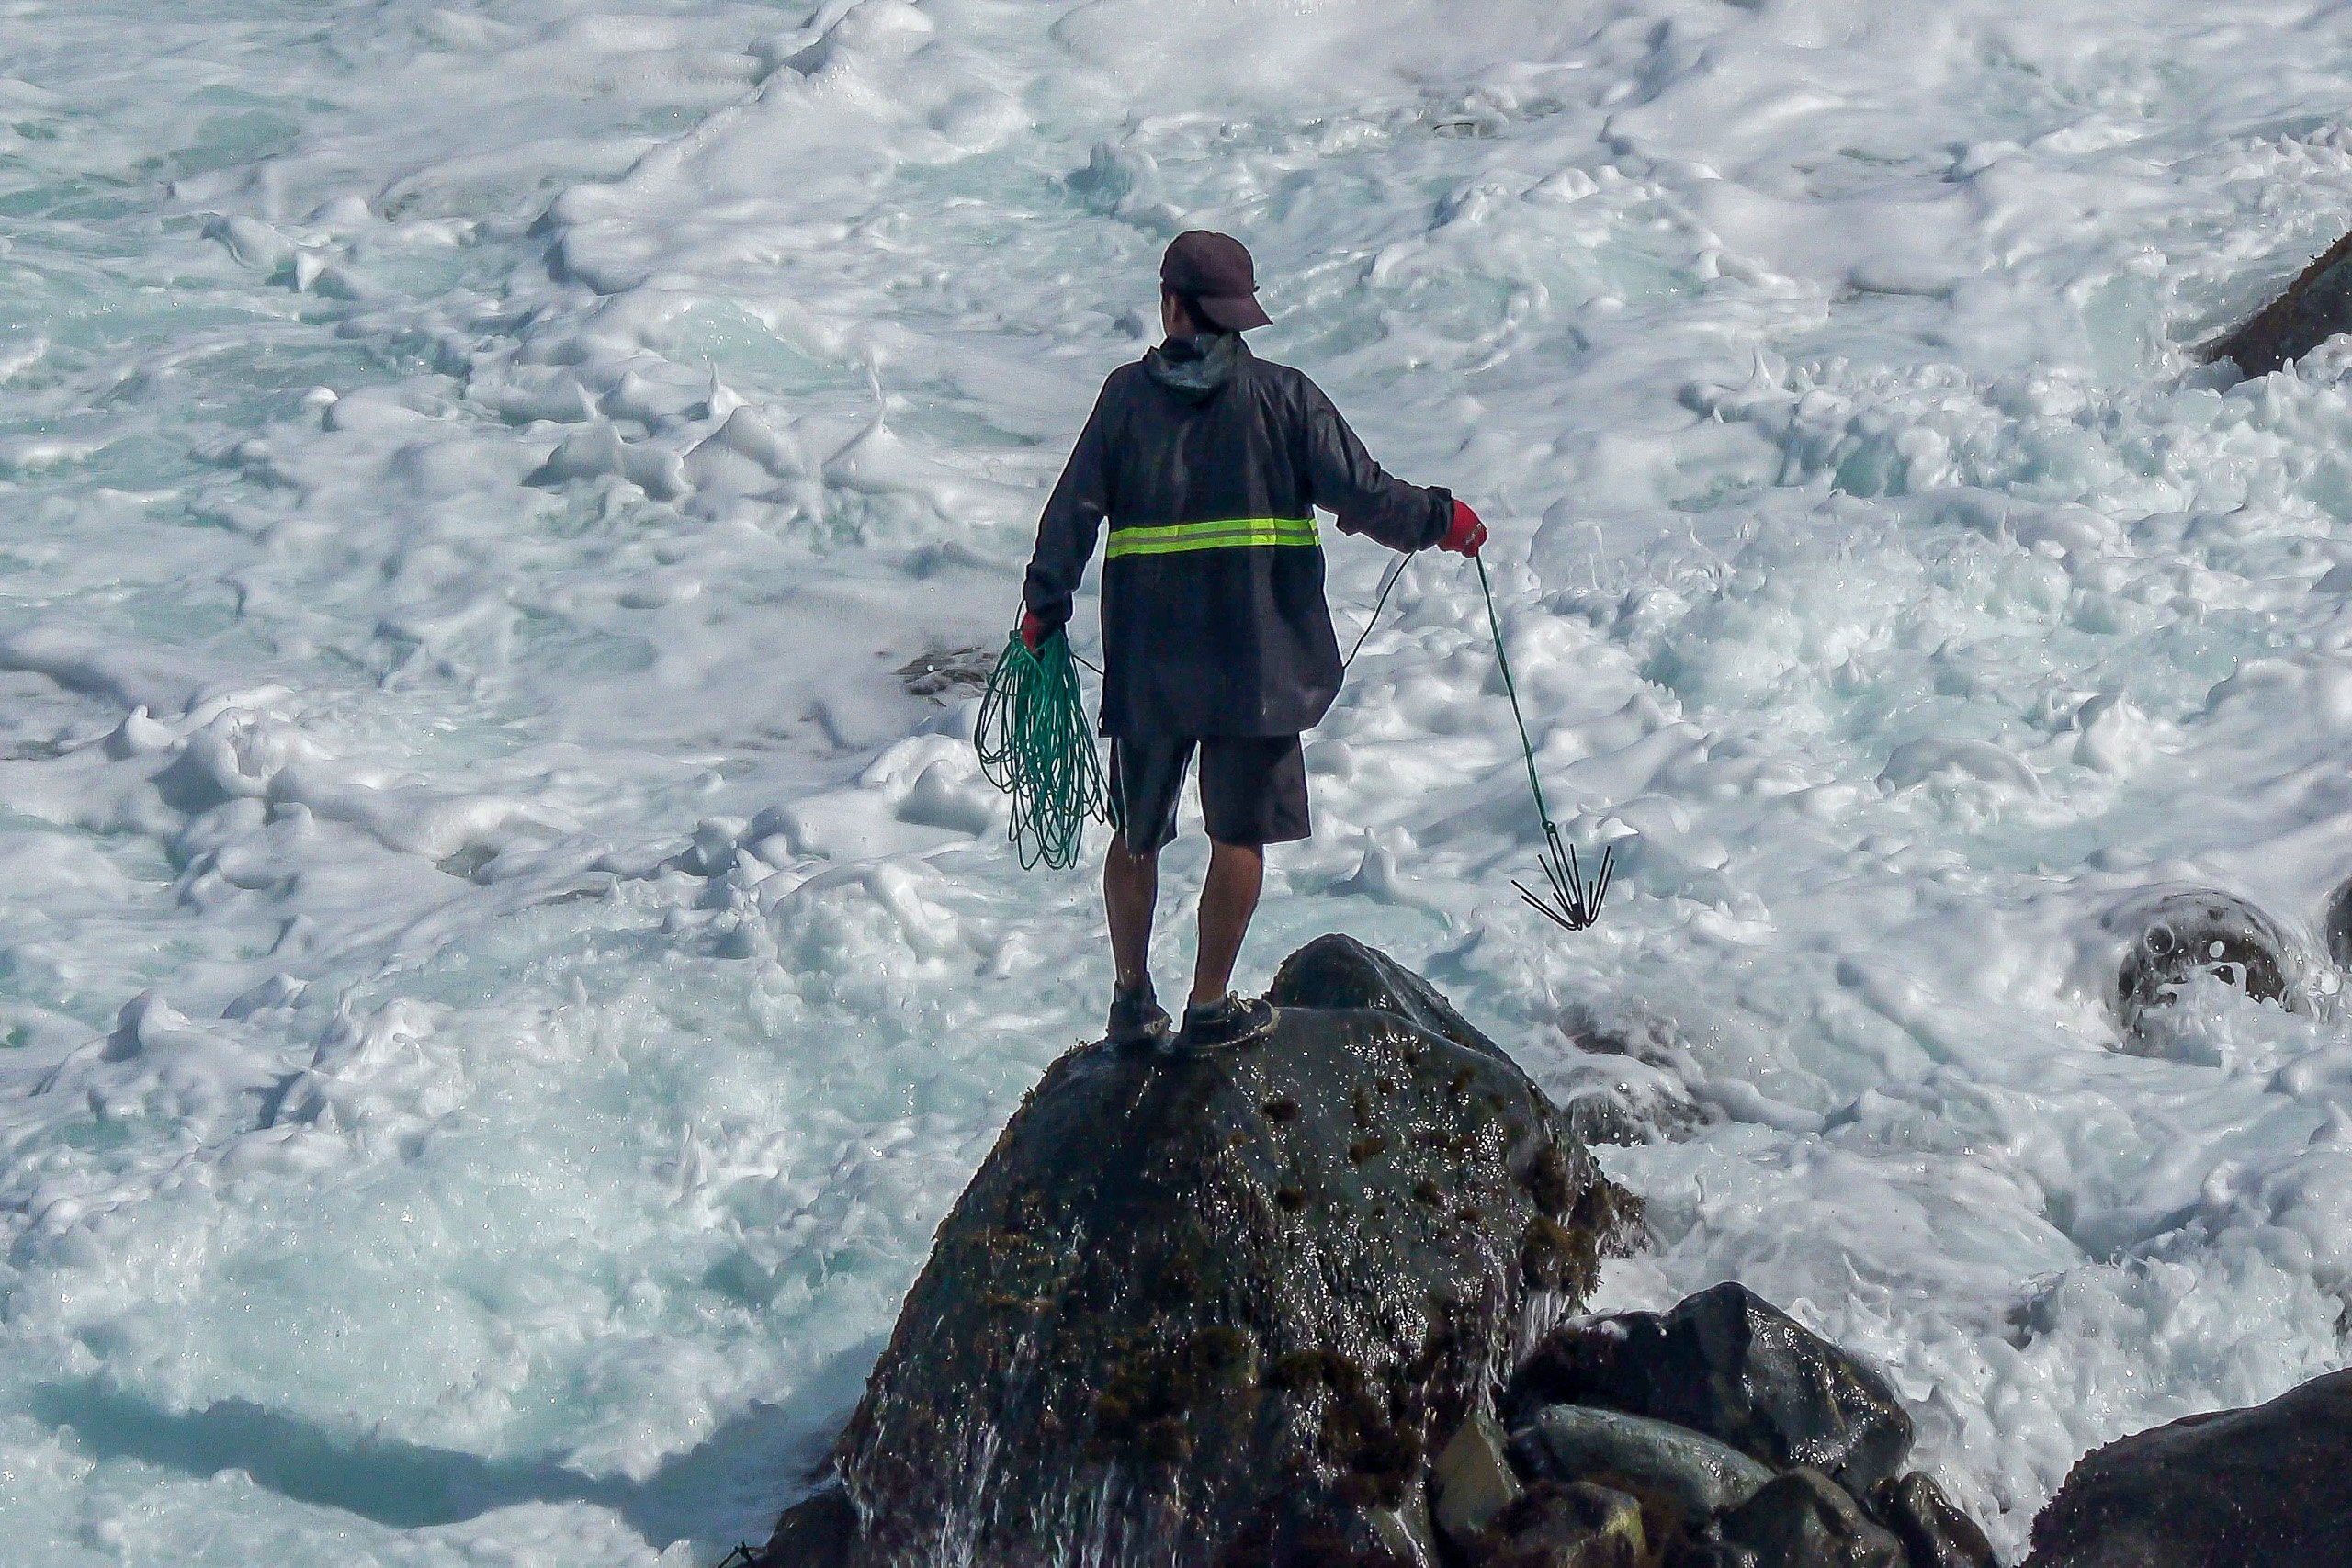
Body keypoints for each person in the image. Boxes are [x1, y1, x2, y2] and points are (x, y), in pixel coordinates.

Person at [1019, 231, 1487, 1050]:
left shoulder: (1125, 400)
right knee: (1238, 835)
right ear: (1235, 316)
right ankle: (1208, 1005)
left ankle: (1131, 1000)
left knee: (1136, 832)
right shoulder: (1285, 397)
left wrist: (1042, 605)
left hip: (1150, 662)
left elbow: (1073, 510)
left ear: (1171, 305)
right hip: (1259, 665)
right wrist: (1443, 520)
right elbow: (1368, 495)